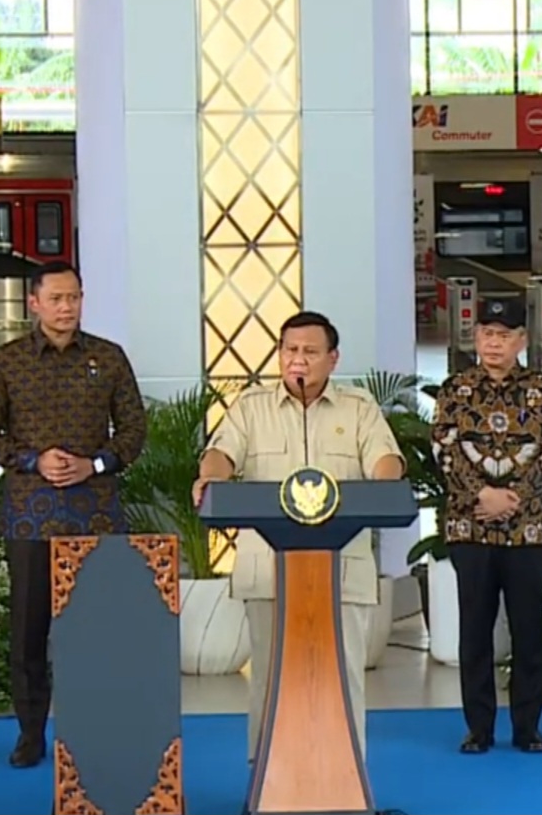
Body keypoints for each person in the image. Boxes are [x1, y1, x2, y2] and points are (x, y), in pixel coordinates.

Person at [191, 311, 405, 762]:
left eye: (310, 352)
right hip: (269, 573)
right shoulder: (251, 406)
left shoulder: (360, 407)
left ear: (333, 358)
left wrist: (385, 483)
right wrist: (210, 478)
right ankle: (266, 778)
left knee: (343, 676)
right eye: (290, 351)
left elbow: (387, 461)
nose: (298, 361)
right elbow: (220, 454)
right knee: (270, 676)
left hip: (342, 574)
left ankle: (346, 776)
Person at [0, 261, 147, 767]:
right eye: (57, 299)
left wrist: (94, 463)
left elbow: (134, 430)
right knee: (29, 631)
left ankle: (94, 729)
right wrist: (33, 460)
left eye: (75, 298)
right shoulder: (7, 362)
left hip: (97, 515)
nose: (67, 308)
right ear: (35, 303)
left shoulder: (108, 359)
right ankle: (29, 733)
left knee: (96, 629)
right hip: (30, 516)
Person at [431, 298, 542, 755]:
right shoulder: (455, 389)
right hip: (471, 531)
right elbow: (445, 452)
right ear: (476, 339)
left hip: (527, 530)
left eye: (505, 334)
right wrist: (480, 497)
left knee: (529, 632)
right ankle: (479, 728)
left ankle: (528, 727)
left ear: (522, 341)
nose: (495, 342)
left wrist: (513, 498)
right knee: (475, 632)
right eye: (487, 333)